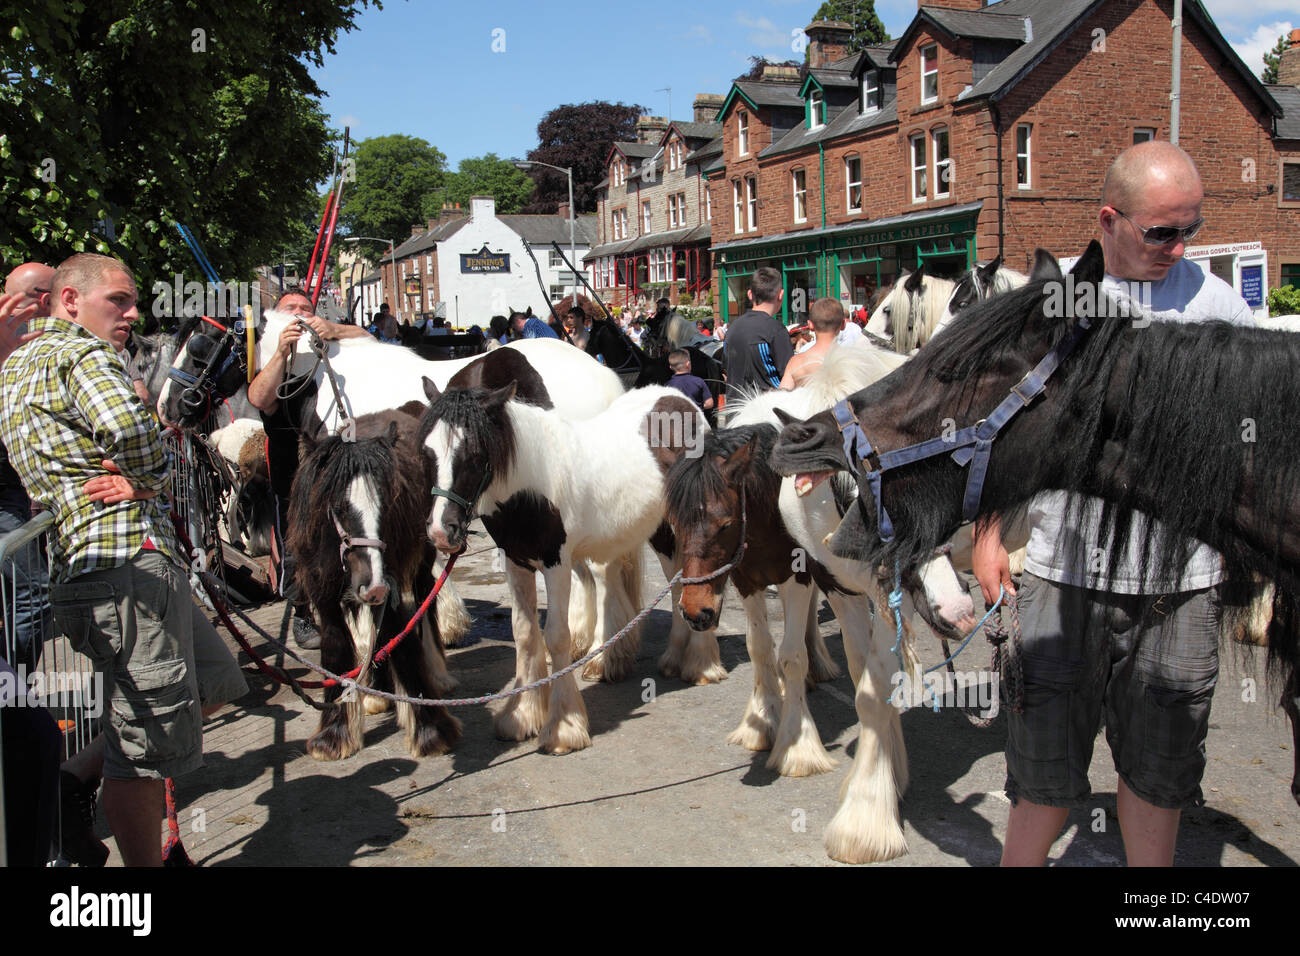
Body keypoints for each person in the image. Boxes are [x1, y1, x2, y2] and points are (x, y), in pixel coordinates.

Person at [972, 141, 1253, 867]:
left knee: (1160, 773)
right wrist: (990, 534)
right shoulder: (1052, 298)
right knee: (1041, 770)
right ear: (1108, 219)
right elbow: (999, 429)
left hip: (1181, 587)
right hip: (1065, 576)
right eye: (1161, 231)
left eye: (1190, 227)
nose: (1179, 246)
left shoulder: (1218, 303)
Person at [0, 253, 248, 866]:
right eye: (119, 300)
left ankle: (73, 780)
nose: (134, 314)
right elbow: (134, 434)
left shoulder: (17, 365)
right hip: (123, 563)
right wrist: (152, 478)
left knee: (215, 680)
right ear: (69, 302)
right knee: (143, 750)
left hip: (103, 569)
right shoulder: (83, 353)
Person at [247, 287, 369, 648]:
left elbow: (369, 338)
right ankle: (302, 612)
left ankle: (350, 604)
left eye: (305, 308)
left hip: (332, 461)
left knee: (341, 537)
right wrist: (283, 351)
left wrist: (334, 328)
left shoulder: (325, 348)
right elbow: (259, 398)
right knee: (298, 545)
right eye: (290, 309)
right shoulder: (270, 354)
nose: (299, 314)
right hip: (291, 464)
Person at [1, 263, 54, 672]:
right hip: (4, 498)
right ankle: (13, 704)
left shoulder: (41, 342)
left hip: (19, 494)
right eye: (47, 293)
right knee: (33, 594)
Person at [722, 265, 793, 401]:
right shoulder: (776, 330)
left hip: (735, 411)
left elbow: (725, 368)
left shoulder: (732, 328)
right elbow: (788, 375)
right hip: (765, 411)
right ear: (781, 295)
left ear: (750, 294)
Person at [781, 298, 845, 389]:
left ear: (810, 325)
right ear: (843, 324)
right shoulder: (853, 361)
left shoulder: (796, 362)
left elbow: (782, 396)